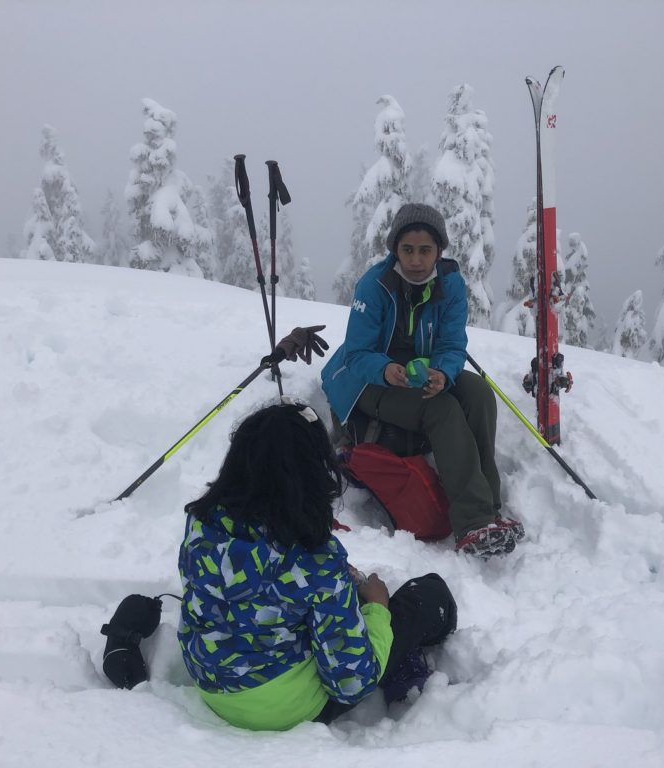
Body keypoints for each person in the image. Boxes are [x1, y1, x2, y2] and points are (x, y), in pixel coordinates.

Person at [178, 400, 457, 731]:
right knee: (430, 595)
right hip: (283, 708)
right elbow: (352, 681)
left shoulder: (203, 523)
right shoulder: (315, 563)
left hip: (211, 685)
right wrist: (378, 608)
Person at [321, 203, 526, 557]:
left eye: (425, 250)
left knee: (478, 392)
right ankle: (472, 522)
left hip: (419, 371)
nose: (416, 260)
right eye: (408, 250)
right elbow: (356, 353)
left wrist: (444, 373)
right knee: (441, 409)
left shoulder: (450, 285)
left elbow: (451, 344)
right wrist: (385, 370)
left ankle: (489, 508)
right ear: (395, 250)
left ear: (439, 251)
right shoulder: (374, 285)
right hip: (366, 381)